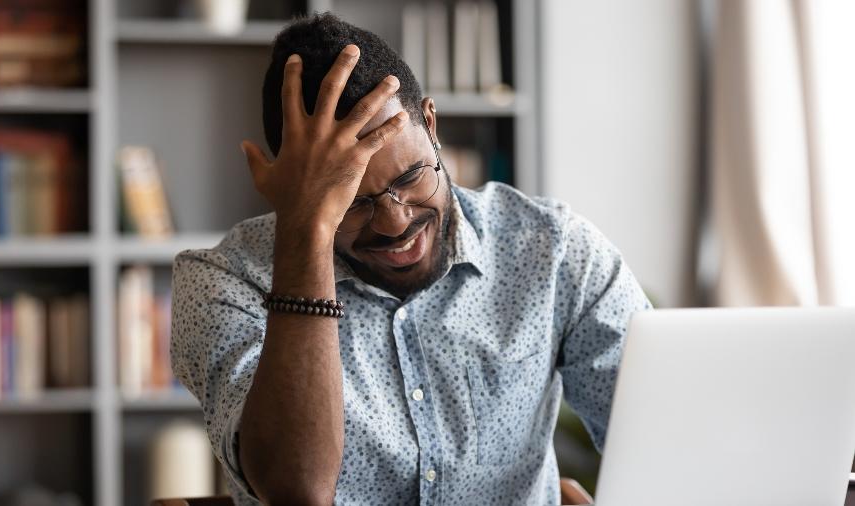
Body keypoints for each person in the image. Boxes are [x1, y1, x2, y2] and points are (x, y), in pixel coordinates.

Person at [171, 13, 651, 506]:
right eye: (350, 203)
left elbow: (667, 437)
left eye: (410, 177)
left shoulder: (552, 251)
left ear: (431, 123)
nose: (395, 222)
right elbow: (297, 489)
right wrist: (306, 230)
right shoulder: (222, 281)